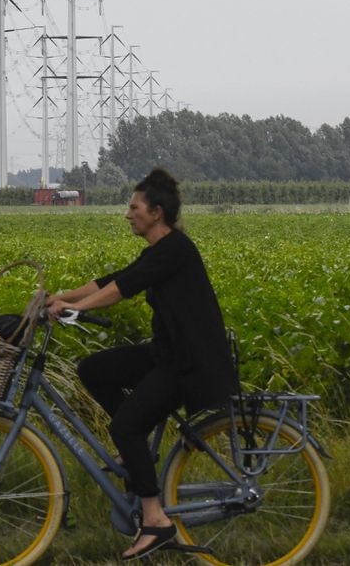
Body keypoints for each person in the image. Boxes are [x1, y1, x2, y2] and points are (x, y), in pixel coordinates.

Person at [46, 167, 237, 561]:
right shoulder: (158, 251)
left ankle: (155, 521)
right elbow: (112, 279)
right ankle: (139, 456)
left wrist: (75, 309)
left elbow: (120, 291)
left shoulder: (175, 250)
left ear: (157, 212)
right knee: (93, 370)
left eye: (134, 207)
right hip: (167, 352)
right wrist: (60, 297)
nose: (127, 214)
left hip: (190, 363)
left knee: (125, 427)